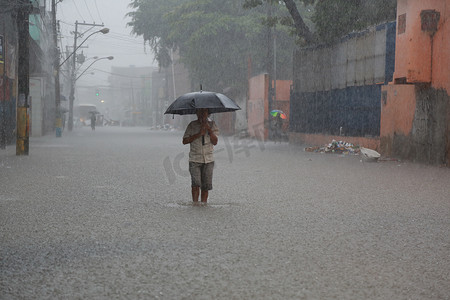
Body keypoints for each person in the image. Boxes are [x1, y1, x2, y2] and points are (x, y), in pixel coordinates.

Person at [182, 108, 219, 204]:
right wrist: (199, 134)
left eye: (204, 112)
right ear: (197, 113)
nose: (202, 114)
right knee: (195, 184)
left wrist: (208, 129)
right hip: (194, 159)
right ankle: (195, 204)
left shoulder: (212, 125)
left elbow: (215, 142)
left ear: (208, 113)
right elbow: (184, 141)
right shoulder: (192, 125)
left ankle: (203, 204)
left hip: (208, 160)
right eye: (200, 112)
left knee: (206, 186)